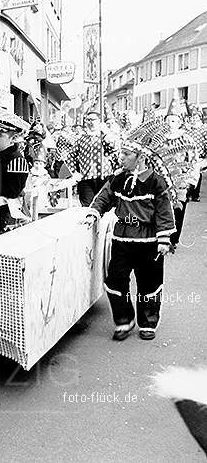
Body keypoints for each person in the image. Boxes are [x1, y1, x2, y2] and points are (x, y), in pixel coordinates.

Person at [84, 135, 175, 341]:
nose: (121, 158)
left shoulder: (155, 182)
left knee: (149, 283)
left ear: (140, 157)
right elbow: (103, 197)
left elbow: (164, 211)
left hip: (149, 242)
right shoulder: (118, 178)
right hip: (122, 239)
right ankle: (124, 320)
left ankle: (147, 322)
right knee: (115, 280)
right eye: (121, 153)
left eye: (126, 154)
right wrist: (93, 213)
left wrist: (163, 240)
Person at [151, 99, 199, 248]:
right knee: (160, 208)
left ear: (179, 122)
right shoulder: (158, 140)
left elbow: (194, 161)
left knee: (178, 209)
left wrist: (191, 180)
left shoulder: (187, 139)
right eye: (168, 120)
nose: (170, 123)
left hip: (181, 181)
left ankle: (174, 239)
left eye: (173, 120)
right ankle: (161, 236)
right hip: (161, 180)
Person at [68, 110, 120, 206]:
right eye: (87, 120)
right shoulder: (81, 138)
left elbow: (115, 149)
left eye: (93, 120)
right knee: (87, 207)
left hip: (104, 177)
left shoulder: (105, 136)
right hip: (86, 179)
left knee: (104, 205)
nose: (90, 122)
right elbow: (70, 155)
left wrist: (106, 133)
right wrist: (74, 172)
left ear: (99, 121)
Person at [185, 105, 207, 202]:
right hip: (189, 155)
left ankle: (195, 194)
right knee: (189, 174)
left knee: (198, 174)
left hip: (200, 155)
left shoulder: (203, 129)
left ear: (200, 118)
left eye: (197, 117)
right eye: (193, 117)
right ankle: (188, 194)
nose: (195, 119)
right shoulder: (188, 129)